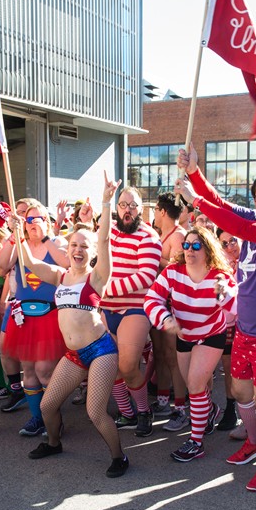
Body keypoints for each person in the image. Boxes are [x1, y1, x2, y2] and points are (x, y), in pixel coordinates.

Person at [176, 146, 256, 493]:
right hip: (247, 328)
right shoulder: (254, 217)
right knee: (241, 392)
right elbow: (219, 201)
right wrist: (194, 174)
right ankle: (253, 442)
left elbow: (228, 221)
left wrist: (196, 202)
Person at [21, 177, 129, 477]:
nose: (78, 250)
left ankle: (119, 456)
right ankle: (54, 443)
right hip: (73, 354)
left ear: (91, 252)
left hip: (101, 350)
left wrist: (107, 201)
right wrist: (20, 227)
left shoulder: (96, 277)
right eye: (74, 245)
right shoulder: (59, 275)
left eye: (84, 246)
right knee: (47, 406)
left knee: (94, 412)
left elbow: (104, 239)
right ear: (66, 249)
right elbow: (28, 262)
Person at [144, 226, 237, 462]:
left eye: (196, 246)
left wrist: (225, 296)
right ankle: (211, 410)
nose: (189, 250)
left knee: (195, 384)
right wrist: (164, 319)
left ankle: (196, 442)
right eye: (186, 245)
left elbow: (236, 310)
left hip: (211, 335)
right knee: (192, 387)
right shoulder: (173, 272)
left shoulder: (219, 276)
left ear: (208, 250)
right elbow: (151, 299)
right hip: (184, 336)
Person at [0, 198, 68, 438]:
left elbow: (67, 263)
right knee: (28, 370)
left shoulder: (56, 242)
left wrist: (46, 236)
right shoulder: (19, 243)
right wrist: (11, 234)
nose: (31, 224)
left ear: (47, 221)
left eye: (37, 218)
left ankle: (53, 419)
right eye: (28, 220)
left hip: (51, 313)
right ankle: (37, 418)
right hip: (23, 315)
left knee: (45, 370)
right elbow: (1, 266)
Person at [101, 185, 163, 437]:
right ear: (117, 208)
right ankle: (127, 413)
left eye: (133, 205)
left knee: (127, 366)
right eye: (123, 205)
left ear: (141, 209)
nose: (128, 210)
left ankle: (143, 411)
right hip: (107, 309)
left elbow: (147, 275)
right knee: (111, 366)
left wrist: (106, 289)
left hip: (135, 308)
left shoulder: (149, 236)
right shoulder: (109, 232)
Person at [150, 191, 189, 426]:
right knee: (160, 354)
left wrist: (153, 258)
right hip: (158, 301)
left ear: (163, 211)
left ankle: (181, 408)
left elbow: (179, 268)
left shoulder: (179, 235)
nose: (153, 214)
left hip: (174, 304)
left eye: (155, 209)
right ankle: (163, 400)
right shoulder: (159, 236)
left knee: (173, 357)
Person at [215, 228, 243, 436]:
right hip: (228, 323)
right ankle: (231, 408)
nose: (230, 246)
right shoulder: (220, 263)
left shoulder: (253, 257)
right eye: (224, 243)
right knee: (229, 366)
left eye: (232, 240)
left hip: (252, 323)